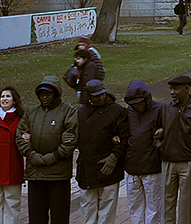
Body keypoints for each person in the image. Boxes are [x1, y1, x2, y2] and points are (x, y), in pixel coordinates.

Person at [17, 75, 79, 224]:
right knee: (36, 217)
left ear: (56, 93)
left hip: (58, 175)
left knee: (59, 217)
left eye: (48, 93)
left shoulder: (68, 111)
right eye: (41, 94)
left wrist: (51, 158)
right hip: (35, 174)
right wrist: (32, 155)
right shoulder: (31, 112)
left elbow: (70, 141)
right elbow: (20, 136)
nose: (44, 97)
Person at [76, 80, 129, 224]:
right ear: (88, 96)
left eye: (102, 94)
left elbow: (125, 138)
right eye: (96, 96)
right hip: (86, 170)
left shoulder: (117, 111)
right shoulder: (80, 112)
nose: (100, 98)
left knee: (106, 214)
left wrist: (114, 157)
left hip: (108, 171)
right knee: (88, 212)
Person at [159, 75, 191, 224]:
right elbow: (155, 132)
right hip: (168, 162)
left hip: (188, 162)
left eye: (176, 89)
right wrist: (160, 147)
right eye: (170, 89)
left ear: (186, 89)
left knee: (188, 204)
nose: (172, 92)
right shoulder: (165, 108)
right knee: (167, 204)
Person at [0, 86, 25, 224]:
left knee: (12, 202)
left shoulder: (21, 117)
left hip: (13, 164)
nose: (4, 99)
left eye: (8, 96)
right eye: (2, 96)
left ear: (14, 100)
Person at [124, 82, 163, 224]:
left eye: (141, 103)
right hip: (133, 168)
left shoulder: (160, 109)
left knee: (154, 208)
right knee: (135, 207)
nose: (139, 106)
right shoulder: (129, 113)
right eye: (135, 104)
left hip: (152, 168)